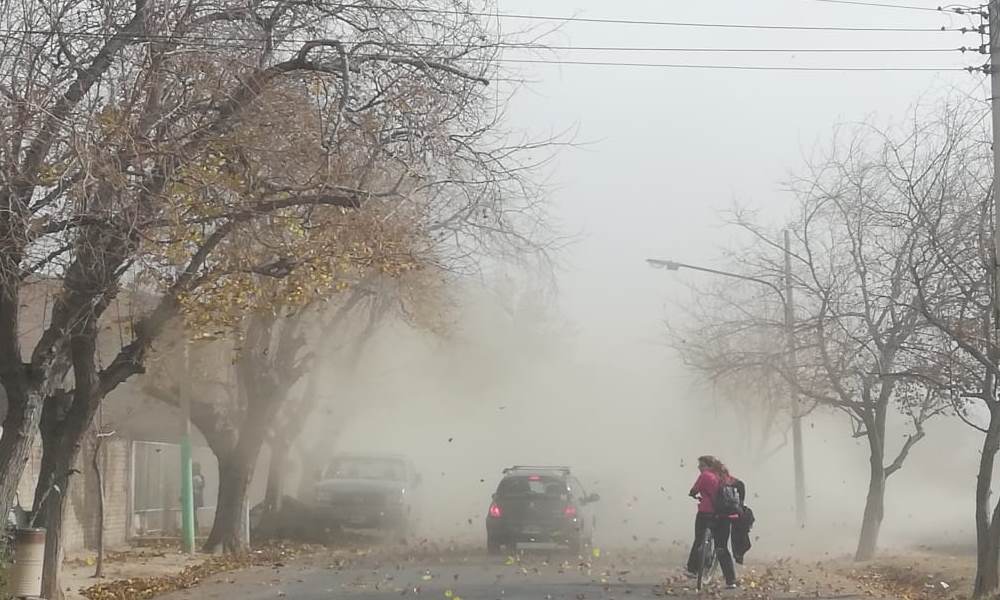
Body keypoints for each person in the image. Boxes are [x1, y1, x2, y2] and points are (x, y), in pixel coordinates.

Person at [685, 455, 739, 589]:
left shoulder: (705, 476)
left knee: (699, 540)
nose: (699, 468)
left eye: (701, 465)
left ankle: (692, 569)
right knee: (722, 547)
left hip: (706, 513)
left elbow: (694, 490)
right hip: (724, 515)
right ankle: (730, 580)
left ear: (708, 466)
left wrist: (693, 493)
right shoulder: (725, 476)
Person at [192, 462, 205, 535]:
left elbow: (201, 486)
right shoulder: (192, 476)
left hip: (195, 498)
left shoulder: (199, 477)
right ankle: (195, 530)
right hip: (194, 498)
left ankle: (196, 530)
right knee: (194, 514)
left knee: (195, 514)